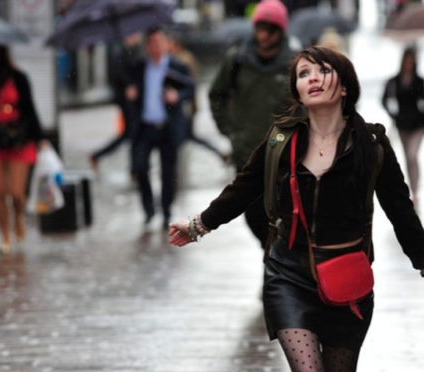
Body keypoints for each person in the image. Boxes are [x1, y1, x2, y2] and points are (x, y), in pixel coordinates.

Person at [169, 46, 424, 372]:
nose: (312, 78)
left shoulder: (371, 144)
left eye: (322, 70)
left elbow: (401, 211)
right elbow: (242, 190)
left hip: (348, 279)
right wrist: (198, 226)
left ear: (345, 86)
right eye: (304, 73)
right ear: (297, 89)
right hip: (288, 275)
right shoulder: (281, 140)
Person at [209, 0, 295, 248]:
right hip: (247, 151)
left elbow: (306, 103)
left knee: (284, 213)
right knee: (253, 214)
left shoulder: (294, 63)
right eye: (260, 28)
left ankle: (277, 258)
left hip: (284, 153)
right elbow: (217, 95)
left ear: (280, 31)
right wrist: (230, 130)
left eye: (270, 29)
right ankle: (271, 252)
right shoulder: (237, 60)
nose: (264, 35)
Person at [0, 44, 44, 255]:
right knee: (0, 192)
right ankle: (5, 236)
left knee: (16, 193)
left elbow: (30, 108)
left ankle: (18, 217)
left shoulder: (18, 78)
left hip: (18, 138)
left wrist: (40, 137)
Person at [126, 27, 195, 229]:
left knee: (168, 172)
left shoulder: (177, 66)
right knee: (140, 167)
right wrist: (130, 93)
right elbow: (123, 83)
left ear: (166, 44)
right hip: (145, 127)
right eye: (152, 42)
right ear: (147, 46)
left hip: (168, 127)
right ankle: (148, 209)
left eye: (159, 42)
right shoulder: (139, 66)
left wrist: (177, 96)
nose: (156, 46)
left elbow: (191, 88)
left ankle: (166, 210)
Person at [382, 46, 424, 204]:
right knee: (408, 158)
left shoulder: (419, 81)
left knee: (412, 155)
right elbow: (385, 99)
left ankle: (415, 189)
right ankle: (413, 188)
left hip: (417, 124)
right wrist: (393, 114)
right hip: (402, 124)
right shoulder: (395, 81)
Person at [89, 33, 142, 173]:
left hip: (132, 99)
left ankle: (134, 167)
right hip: (127, 100)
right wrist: (129, 85)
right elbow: (118, 74)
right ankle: (133, 168)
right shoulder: (121, 51)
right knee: (130, 133)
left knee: (131, 133)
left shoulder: (133, 50)